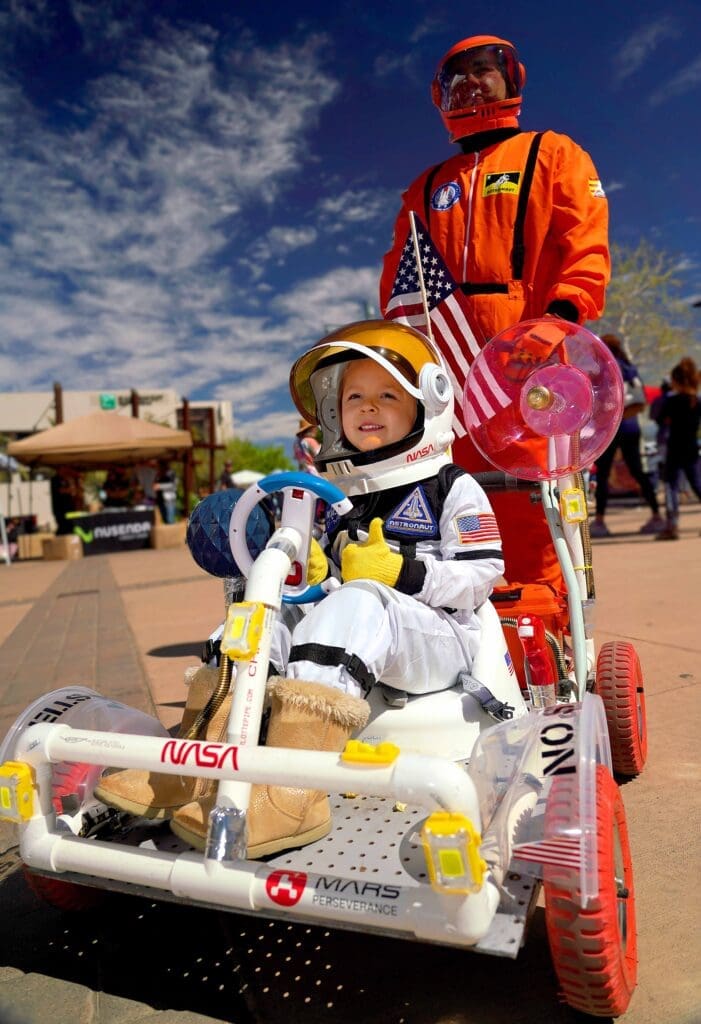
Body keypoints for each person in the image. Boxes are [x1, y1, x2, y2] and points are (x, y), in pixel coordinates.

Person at [96, 321, 511, 859]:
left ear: (424, 406)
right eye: (353, 396)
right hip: (366, 633)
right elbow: (332, 593)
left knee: (360, 600)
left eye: (387, 394)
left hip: (442, 641)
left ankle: (294, 795)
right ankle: (198, 765)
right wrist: (312, 578)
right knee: (256, 615)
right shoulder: (340, 496)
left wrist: (399, 573)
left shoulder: (452, 485)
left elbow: (483, 574)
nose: (367, 407)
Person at [379, 34, 610, 597]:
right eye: (459, 75)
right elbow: (398, 279)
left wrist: (553, 325)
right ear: (442, 96)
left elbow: (585, 246)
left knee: (536, 503)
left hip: (531, 358)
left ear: (514, 79)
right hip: (449, 372)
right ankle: (469, 637)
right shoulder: (426, 188)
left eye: (486, 70)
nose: (472, 82)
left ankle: (547, 639)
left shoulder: (553, 153)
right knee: (458, 507)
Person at [590, 335, 664, 537]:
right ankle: (657, 515)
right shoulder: (630, 369)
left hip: (611, 427)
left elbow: (598, 400)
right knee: (638, 471)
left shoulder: (604, 370)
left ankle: (600, 522)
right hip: (631, 426)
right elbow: (640, 399)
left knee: (603, 473)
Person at [653, 357, 701, 541]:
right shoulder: (696, 401)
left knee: (671, 485)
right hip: (691, 448)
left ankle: (672, 526)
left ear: (676, 381)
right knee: (697, 484)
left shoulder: (672, 402)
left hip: (674, 447)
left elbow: (660, 419)